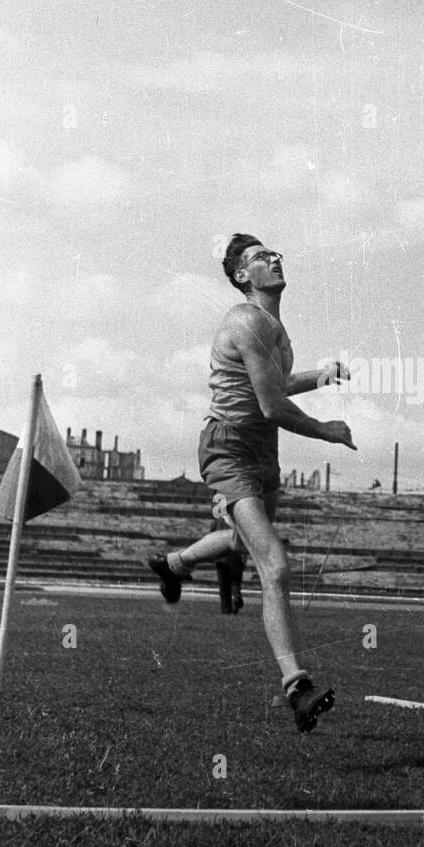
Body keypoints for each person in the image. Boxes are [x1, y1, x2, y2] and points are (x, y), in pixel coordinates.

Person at [148, 234, 356, 732]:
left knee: (244, 541)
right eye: (262, 257)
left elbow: (275, 384)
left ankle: (173, 564)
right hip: (230, 448)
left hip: (263, 450)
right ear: (243, 276)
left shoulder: (272, 326)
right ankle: (297, 687)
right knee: (275, 564)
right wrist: (327, 430)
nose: (275, 258)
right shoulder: (245, 321)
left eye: (276, 253)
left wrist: (322, 376)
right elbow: (271, 404)